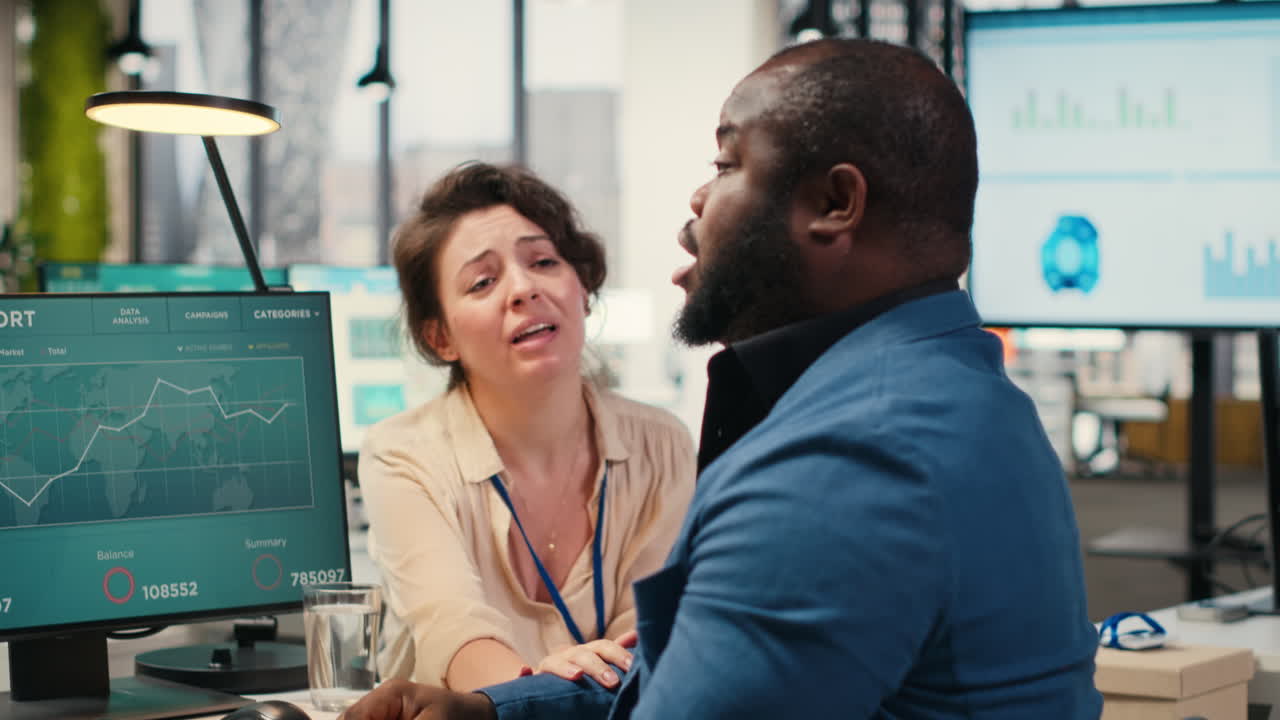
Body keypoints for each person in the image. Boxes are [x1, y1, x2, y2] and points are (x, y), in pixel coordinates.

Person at [342, 37, 1103, 720]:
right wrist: (493, 712)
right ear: (438, 335)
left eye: (725, 165)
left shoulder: (841, 460)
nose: (698, 202)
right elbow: (684, 667)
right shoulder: (953, 392)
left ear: (835, 204)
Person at [357, 162, 696, 693]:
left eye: (543, 261)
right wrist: (540, 691)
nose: (523, 288)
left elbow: (651, 640)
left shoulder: (663, 445)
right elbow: (454, 632)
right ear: (441, 336)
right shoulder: (401, 454)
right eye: (483, 281)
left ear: (582, 288)